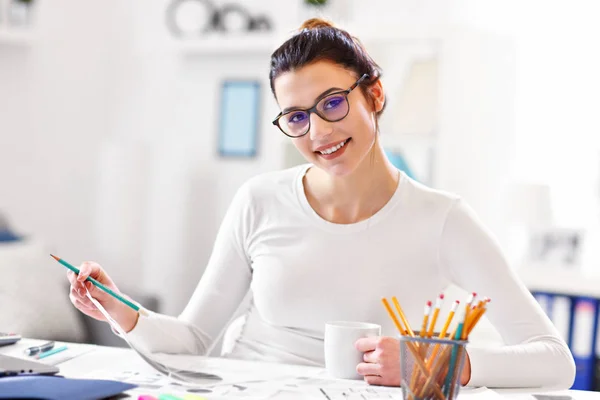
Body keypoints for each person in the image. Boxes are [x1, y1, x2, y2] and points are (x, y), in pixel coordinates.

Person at [67, 18, 575, 388]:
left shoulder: (443, 220)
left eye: (333, 103)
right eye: (296, 117)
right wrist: (121, 311)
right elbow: (193, 338)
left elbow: (555, 361)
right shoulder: (259, 200)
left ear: (373, 94)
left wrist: (435, 362)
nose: (319, 132)